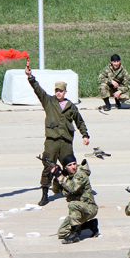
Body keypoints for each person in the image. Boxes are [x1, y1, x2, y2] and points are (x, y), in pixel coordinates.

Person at [25, 64, 89, 207]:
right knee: (48, 166)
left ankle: (73, 191)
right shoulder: (49, 102)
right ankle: (45, 195)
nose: (58, 93)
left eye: (61, 91)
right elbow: (38, 90)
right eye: (56, 90)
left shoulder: (71, 107)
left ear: (65, 91)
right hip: (52, 141)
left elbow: (80, 121)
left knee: (71, 167)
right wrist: (30, 77)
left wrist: (85, 135)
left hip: (65, 141)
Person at [52, 154, 99, 244]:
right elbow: (56, 190)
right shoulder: (67, 177)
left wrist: (61, 178)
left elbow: (72, 188)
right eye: (69, 165)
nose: (73, 167)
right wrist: (56, 176)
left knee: (72, 204)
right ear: (65, 167)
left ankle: (75, 235)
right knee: (62, 233)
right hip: (77, 212)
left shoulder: (81, 174)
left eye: (74, 164)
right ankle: (91, 225)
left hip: (89, 208)